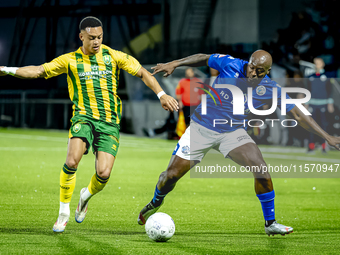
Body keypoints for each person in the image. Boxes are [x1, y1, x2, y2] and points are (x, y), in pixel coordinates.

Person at [0, 16, 178, 233]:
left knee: (103, 173)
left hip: (109, 122)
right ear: (81, 36)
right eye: (92, 37)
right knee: (72, 160)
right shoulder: (69, 60)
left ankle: (85, 196)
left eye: (100, 37)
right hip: (83, 118)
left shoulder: (113, 56)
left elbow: (142, 72)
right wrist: (5, 69)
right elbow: (38, 71)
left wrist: (161, 94)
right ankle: (63, 213)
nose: (96, 41)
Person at [137, 50, 340, 236]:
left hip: (232, 132)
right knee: (170, 176)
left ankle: (270, 224)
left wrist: (327, 136)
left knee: (261, 168)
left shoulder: (269, 87)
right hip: (201, 128)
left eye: (259, 71)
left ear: (267, 72)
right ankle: (155, 201)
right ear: (248, 63)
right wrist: (175, 63)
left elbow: (297, 113)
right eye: (252, 67)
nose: (253, 73)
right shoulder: (231, 64)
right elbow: (203, 57)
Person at [306, 57, 334, 153]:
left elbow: (330, 90)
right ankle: (311, 146)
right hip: (312, 104)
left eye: (318, 63)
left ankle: (324, 146)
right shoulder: (310, 77)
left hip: (323, 103)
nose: (316, 65)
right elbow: (308, 90)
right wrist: (306, 103)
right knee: (311, 125)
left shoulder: (327, 76)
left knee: (323, 125)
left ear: (322, 64)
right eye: (315, 63)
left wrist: (330, 103)